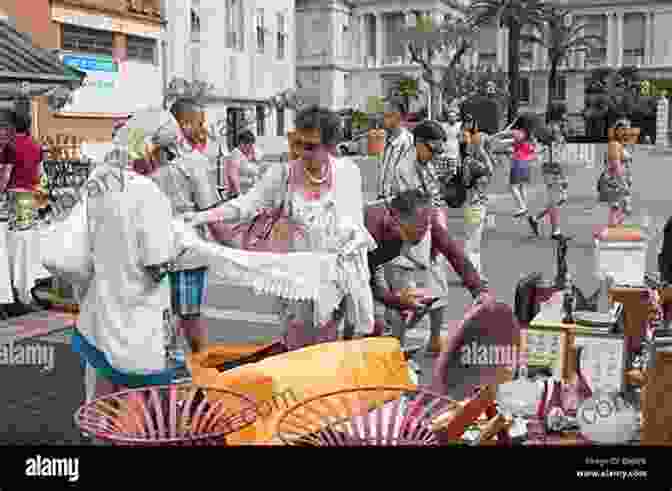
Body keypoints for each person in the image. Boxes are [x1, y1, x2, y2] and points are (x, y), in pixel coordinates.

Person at [183, 105, 377, 347]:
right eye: (299, 142)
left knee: (331, 350)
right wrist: (202, 217)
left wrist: (355, 245)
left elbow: (355, 223)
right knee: (297, 349)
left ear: (330, 146)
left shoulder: (349, 173)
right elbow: (245, 205)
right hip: (296, 280)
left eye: (311, 146)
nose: (302, 152)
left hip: (336, 279)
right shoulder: (282, 174)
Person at [71, 108, 178, 405]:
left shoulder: (99, 180)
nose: (165, 162)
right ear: (148, 147)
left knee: (101, 399)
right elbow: (157, 266)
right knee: (140, 406)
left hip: (101, 308)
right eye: (164, 153)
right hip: (138, 316)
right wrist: (180, 246)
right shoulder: (148, 192)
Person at [147, 98, 234, 354]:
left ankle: (165, 364)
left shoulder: (148, 157)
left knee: (161, 315)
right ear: (183, 124)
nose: (202, 130)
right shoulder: (194, 162)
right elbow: (209, 213)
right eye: (199, 123)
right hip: (185, 250)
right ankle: (202, 370)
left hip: (152, 249)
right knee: (189, 315)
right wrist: (234, 247)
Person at [365, 190, 493, 348]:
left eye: (427, 225)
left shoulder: (424, 216)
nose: (425, 230)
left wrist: (479, 291)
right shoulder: (371, 229)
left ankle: (394, 353)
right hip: (348, 266)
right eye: (420, 226)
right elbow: (370, 284)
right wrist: (396, 301)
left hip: (374, 262)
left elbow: (453, 252)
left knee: (391, 312)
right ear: (397, 219)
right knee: (369, 321)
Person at [461, 120, 494, 274]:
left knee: (474, 242)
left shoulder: (473, 161)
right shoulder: (475, 163)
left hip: (476, 204)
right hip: (475, 205)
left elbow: (467, 181)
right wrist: (482, 151)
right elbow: (487, 172)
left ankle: (473, 272)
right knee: (472, 242)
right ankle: (472, 273)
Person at [527, 118, 568, 238]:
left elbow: (559, 159)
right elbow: (552, 158)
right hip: (550, 169)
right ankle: (556, 231)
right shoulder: (549, 142)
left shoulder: (558, 141)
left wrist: (562, 176)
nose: (560, 134)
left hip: (554, 169)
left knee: (559, 199)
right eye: (557, 132)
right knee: (554, 200)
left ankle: (535, 218)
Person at [0, 111, 41, 223]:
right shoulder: (36, 145)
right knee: (27, 227)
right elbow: (39, 172)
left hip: (15, 192)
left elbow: (6, 173)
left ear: (13, 126)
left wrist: (1, 189)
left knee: (14, 229)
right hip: (31, 192)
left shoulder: (10, 145)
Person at [497, 114, 538, 221]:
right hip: (526, 163)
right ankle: (524, 206)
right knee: (522, 186)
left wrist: (511, 124)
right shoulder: (529, 135)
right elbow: (532, 149)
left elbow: (502, 134)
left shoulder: (517, 132)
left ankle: (522, 207)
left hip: (517, 162)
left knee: (513, 186)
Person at [378, 99, 415, 199]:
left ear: (398, 117)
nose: (382, 119)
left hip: (400, 202)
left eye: (387, 115)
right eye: (382, 115)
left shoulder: (409, 143)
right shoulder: (386, 139)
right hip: (384, 199)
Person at [602, 118, 633, 226]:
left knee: (621, 210)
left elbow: (624, 165)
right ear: (616, 131)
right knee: (617, 208)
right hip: (616, 181)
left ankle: (616, 231)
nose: (626, 132)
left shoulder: (621, 145)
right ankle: (613, 232)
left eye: (628, 129)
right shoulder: (615, 144)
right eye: (623, 129)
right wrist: (623, 183)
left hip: (620, 181)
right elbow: (616, 165)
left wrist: (627, 180)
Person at [224, 129, 267, 199]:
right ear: (241, 143)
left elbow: (259, 169)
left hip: (250, 192)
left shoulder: (248, 155)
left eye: (252, 144)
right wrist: (239, 195)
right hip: (239, 194)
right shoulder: (235, 155)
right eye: (249, 144)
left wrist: (254, 154)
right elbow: (233, 177)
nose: (251, 147)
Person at [438, 104, 462, 185]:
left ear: (456, 117)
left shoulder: (459, 126)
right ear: (447, 118)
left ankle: (444, 185)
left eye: (453, 116)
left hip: (454, 154)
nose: (451, 118)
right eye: (450, 116)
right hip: (443, 154)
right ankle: (441, 189)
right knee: (442, 173)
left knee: (452, 172)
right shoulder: (443, 126)